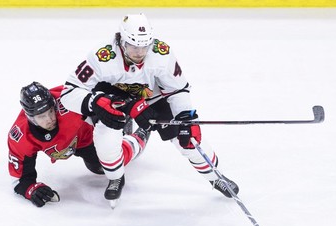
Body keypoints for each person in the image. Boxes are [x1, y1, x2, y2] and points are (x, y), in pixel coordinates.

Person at [60, 13, 239, 201]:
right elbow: (69, 92)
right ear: (121, 41)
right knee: (106, 140)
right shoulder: (101, 56)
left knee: (186, 137)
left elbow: (178, 89)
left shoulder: (162, 53)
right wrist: (95, 102)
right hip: (114, 100)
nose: (140, 53)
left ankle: (215, 177)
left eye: (144, 46)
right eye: (134, 46)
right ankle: (115, 178)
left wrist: (186, 118)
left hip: (150, 96)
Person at [8, 81, 149, 207]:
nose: (50, 119)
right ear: (30, 117)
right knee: (97, 168)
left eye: (51, 111)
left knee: (107, 164)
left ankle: (140, 136)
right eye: (41, 116)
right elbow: (20, 180)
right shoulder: (20, 136)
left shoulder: (66, 99)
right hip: (74, 141)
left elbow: (100, 93)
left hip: (87, 133)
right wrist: (32, 190)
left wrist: (128, 105)